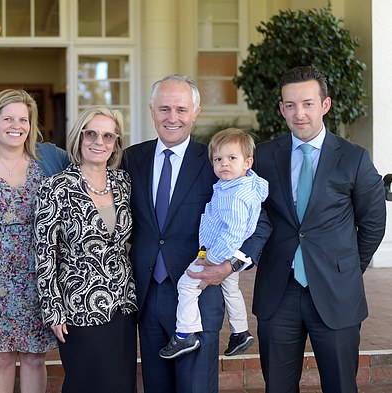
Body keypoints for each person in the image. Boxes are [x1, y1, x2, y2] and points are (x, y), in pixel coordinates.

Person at [244, 65, 386, 391]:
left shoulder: (354, 158)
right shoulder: (263, 157)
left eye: (308, 103)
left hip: (337, 294)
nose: (299, 113)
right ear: (281, 108)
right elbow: (253, 215)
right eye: (290, 105)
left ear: (325, 105)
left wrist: (345, 268)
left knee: (340, 385)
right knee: (278, 386)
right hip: (278, 293)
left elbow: (374, 223)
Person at [122, 74, 263, 393]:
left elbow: (259, 221)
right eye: (165, 109)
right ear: (151, 110)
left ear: (196, 112)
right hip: (148, 295)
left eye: (181, 110)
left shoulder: (218, 161)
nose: (173, 118)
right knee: (157, 386)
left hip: (198, 291)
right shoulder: (133, 158)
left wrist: (232, 266)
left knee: (195, 387)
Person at [0, 89, 67, 393]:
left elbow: (88, 170)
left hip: (40, 279)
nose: (15, 125)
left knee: (34, 358)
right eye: (8, 118)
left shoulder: (51, 159)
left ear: (31, 125)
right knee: (1, 358)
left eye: (23, 119)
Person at [34, 106, 138, 393]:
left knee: (120, 384)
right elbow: (44, 254)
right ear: (79, 138)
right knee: (85, 383)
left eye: (108, 136)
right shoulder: (56, 187)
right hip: (78, 305)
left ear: (116, 144)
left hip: (123, 306)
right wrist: (53, 310)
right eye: (90, 133)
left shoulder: (124, 183)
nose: (98, 142)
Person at [159, 128, 267, 360]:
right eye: (218, 159)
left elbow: (234, 231)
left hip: (217, 253)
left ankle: (185, 332)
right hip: (227, 254)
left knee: (187, 285)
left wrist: (212, 259)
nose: (224, 164)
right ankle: (240, 331)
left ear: (248, 162)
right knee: (231, 289)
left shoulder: (234, 196)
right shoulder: (246, 184)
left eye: (231, 158)